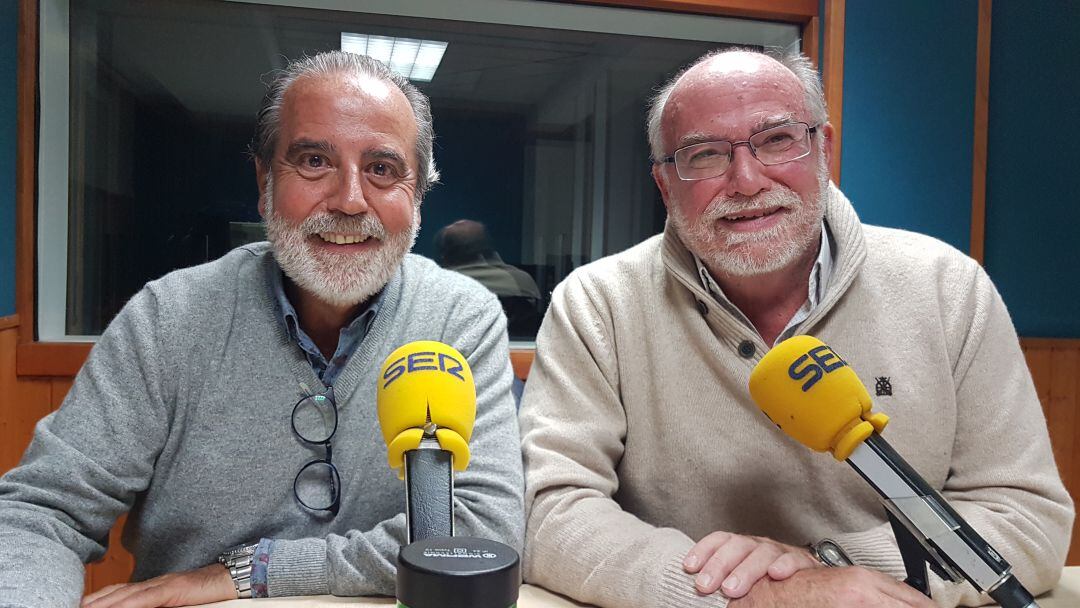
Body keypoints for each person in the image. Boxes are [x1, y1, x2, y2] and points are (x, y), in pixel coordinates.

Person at [519, 47, 1073, 608]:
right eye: (705, 155)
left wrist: (826, 566)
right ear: (665, 185)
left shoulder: (946, 287)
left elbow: (1025, 516)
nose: (746, 180)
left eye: (777, 140)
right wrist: (749, 595)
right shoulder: (597, 304)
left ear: (823, 149)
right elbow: (549, 512)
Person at [0, 51, 524, 608]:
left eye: (382, 169)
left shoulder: (458, 318)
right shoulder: (168, 317)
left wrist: (254, 571)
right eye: (315, 160)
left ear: (416, 195)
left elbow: (481, 534)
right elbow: (41, 513)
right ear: (265, 180)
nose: (350, 200)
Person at [434, 219, 543, 337]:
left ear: (445, 256)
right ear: (490, 250)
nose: (459, 221)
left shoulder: (436, 287)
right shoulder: (521, 281)